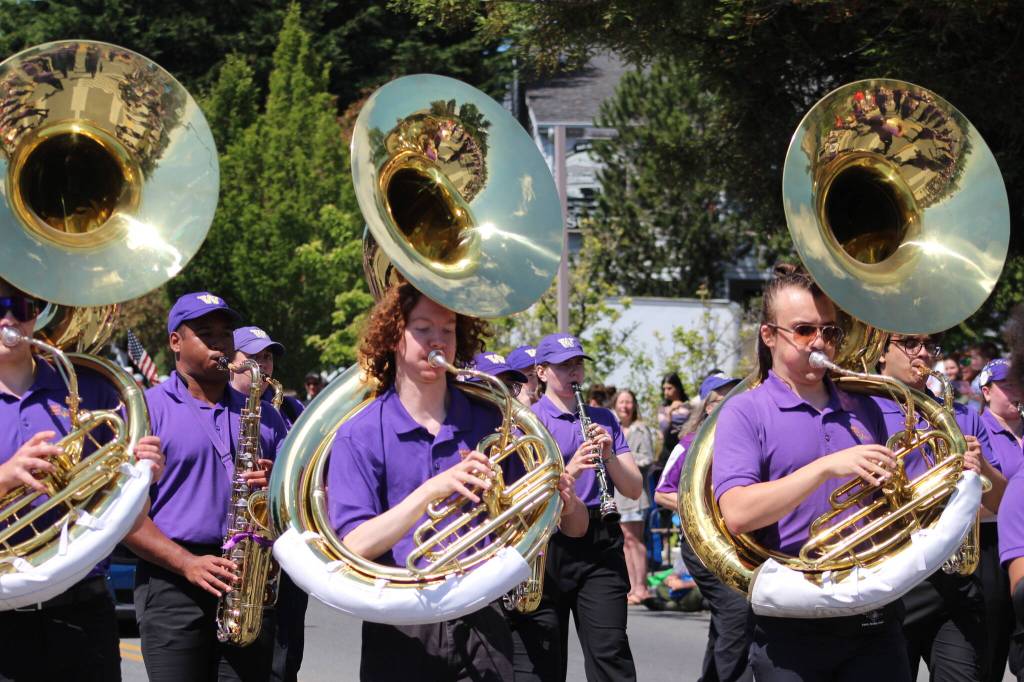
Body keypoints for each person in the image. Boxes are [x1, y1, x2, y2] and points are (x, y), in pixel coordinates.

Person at [326, 282, 587, 682]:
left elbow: (575, 527)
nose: (438, 341)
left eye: (447, 330)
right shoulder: (359, 433)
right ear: (394, 335)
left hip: (482, 616)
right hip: (399, 623)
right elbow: (354, 544)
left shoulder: (491, 422)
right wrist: (432, 490)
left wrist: (566, 500)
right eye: (423, 329)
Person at [713, 263, 911, 682]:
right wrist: (822, 469)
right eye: (804, 330)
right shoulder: (745, 411)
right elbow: (737, 513)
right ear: (769, 335)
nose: (819, 341)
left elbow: (898, 504)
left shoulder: (865, 407)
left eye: (830, 331)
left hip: (872, 615)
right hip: (794, 622)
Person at [0, 278, 165, 682]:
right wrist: (5, 477)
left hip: (82, 608)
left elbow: (128, 513)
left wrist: (142, 477)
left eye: (24, 306)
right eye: (0, 306)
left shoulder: (89, 389)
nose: (11, 318)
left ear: (38, 313)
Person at [124, 292, 289, 682]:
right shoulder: (144, 410)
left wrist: (277, 488)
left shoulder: (265, 414)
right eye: (205, 332)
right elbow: (124, 519)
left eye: (225, 332)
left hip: (245, 578)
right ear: (175, 342)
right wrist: (187, 563)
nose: (220, 341)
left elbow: (302, 502)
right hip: (172, 583)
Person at [511, 332, 643, 682]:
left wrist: (608, 455)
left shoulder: (605, 419)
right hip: (546, 539)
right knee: (542, 660)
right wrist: (569, 470)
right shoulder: (527, 421)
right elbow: (522, 495)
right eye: (563, 366)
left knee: (610, 652)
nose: (574, 373)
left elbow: (632, 488)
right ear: (541, 371)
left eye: (578, 365)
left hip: (600, 537)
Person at [873, 332, 1000, 682]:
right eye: (911, 343)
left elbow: (1000, 502)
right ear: (881, 353)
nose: (923, 353)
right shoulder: (862, 407)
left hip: (954, 582)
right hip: (891, 578)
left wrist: (982, 469)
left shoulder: (962, 415)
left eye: (930, 346)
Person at [655, 372, 751, 682]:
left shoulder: (747, 440)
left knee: (727, 619)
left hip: (740, 543)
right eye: (724, 397)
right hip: (703, 546)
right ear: (709, 407)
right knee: (737, 612)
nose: (733, 402)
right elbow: (661, 492)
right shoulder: (688, 446)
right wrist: (700, 508)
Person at [230, 326, 308, 682]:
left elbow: (304, 482)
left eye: (268, 357)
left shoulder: (287, 411)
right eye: (253, 358)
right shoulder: (221, 409)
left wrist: (279, 475)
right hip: (237, 552)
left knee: (283, 662)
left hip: (278, 557)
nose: (263, 366)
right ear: (230, 363)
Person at [977, 359, 1022, 681]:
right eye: (1007, 385)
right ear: (986, 390)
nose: (1016, 391)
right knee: (992, 643)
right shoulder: (980, 432)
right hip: (990, 543)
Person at [611, 388, 655, 605]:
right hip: (619, 495)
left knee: (635, 540)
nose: (625, 406)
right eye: (621, 402)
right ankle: (631, 587)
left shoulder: (641, 430)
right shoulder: (613, 428)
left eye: (628, 402)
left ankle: (641, 587)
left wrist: (622, 459)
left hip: (636, 494)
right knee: (625, 541)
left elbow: (648, 458)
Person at [658, 372, 690, 464]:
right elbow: (664, 428)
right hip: (669, 450)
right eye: (664, 389)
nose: (666, 392)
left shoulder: (689, 406)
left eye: (669, 388)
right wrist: (670, 412)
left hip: (686, 448)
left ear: (678, 387)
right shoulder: (663, 409)